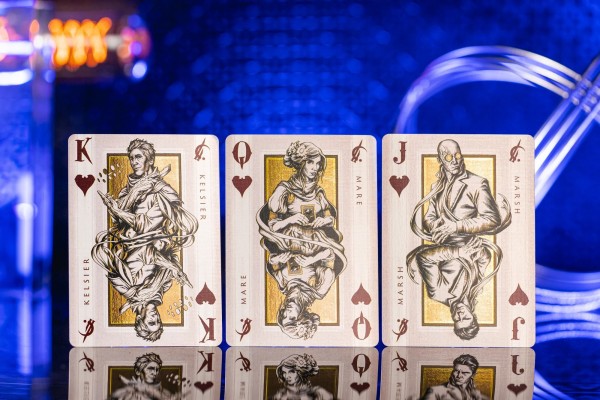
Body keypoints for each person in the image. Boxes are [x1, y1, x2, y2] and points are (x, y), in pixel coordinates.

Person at [92, 138, 198, 342]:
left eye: (138, 157)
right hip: (147, 235)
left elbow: (145, 249)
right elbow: (167, 257)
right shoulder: (163, 287)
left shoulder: (130, 289)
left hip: (140, 237)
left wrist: (119, 211)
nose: (134, 162)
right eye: (131, 158)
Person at [407, 139, 511, 340]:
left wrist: (456, 231)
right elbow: (430, 218)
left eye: (457, 155)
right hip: (464, 241)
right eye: (448, 157)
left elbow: (492, 219)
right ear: (440, 159)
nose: (454, 160)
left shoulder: (438, 293)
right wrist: (435, 227)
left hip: (455, 242)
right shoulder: (476, 289)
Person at [257, 141, 346, 340]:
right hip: (310, 242)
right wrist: (291, 220)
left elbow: (273, 260)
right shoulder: (319, 289)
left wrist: (324, 220)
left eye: (318, 164)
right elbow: (330, 254)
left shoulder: (282, 283)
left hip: (299, 240)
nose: (315, 168)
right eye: (311, 162)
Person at [111, 352, 178, 400]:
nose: (155, 373)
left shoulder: (165, 393)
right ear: (138, 371)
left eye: (157, 370)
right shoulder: (127, 392)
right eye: (150, 369)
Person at [422, 354, 488, 400]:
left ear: (473, 375)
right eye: (456, 371)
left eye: (465, 373)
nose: (459, 376)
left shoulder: (477, 394)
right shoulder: (435, 391)